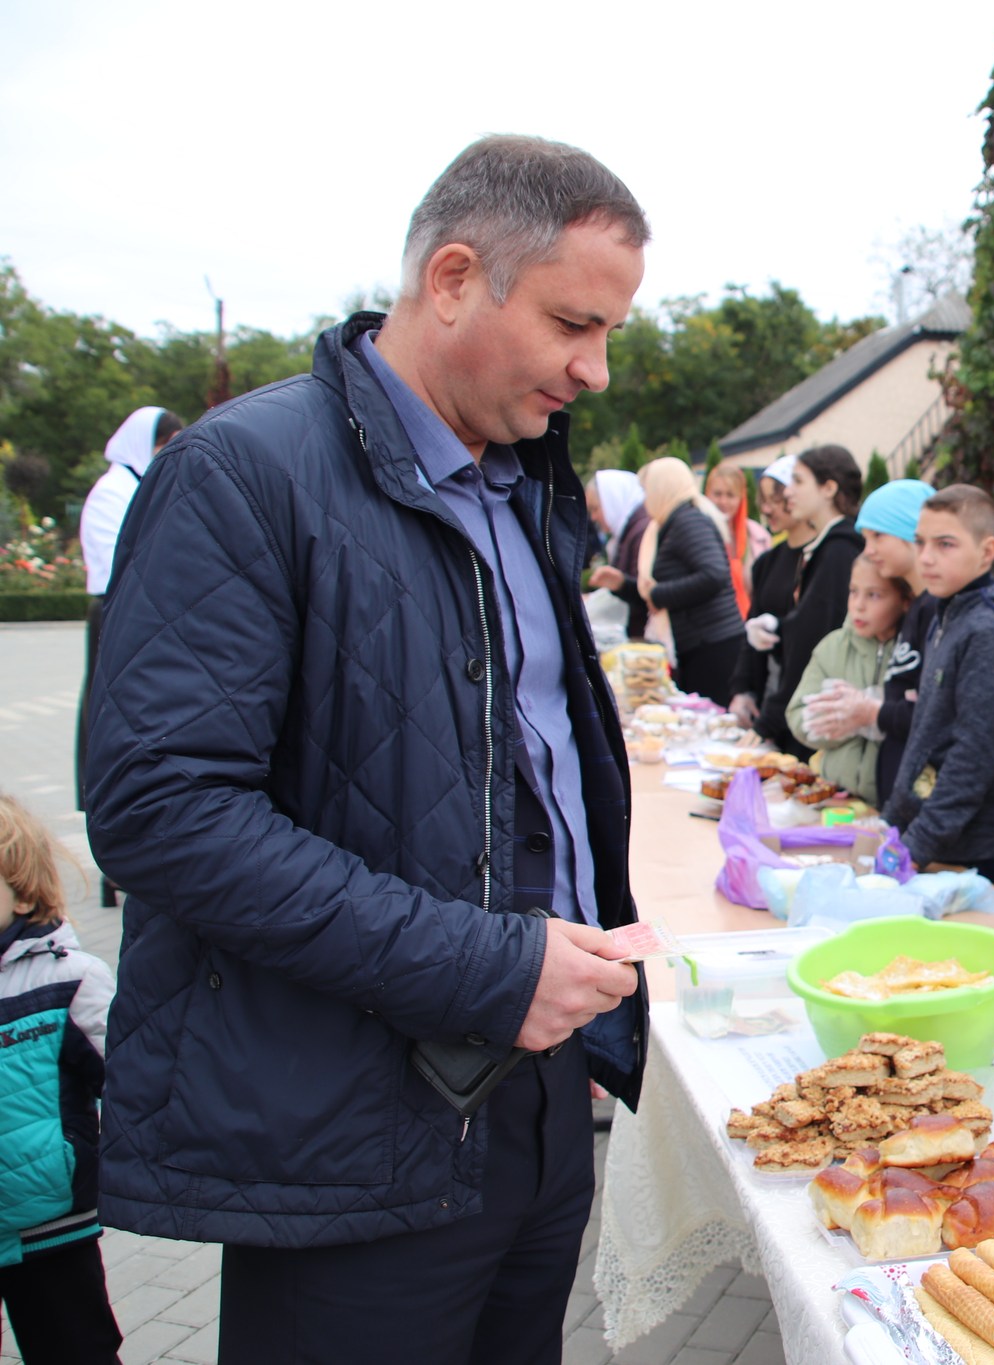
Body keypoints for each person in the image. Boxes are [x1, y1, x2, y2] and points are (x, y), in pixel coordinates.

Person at [84, 135, 648, 1365]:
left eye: (608, 332)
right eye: (570, 323)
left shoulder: (517, 486)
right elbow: (160, 809)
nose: (594, 370)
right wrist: (488, 966)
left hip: (536, 1097)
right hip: (348, 1126)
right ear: (452, 279)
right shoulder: (245, 473)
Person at [882, 485, 994, 900]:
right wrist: (891, 822)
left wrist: (916, 844)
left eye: (945, 545)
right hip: (958, 836)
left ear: (987, 551)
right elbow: (928, 733)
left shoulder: (988, 632)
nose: (926, 557)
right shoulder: (947, 613)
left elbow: (973, 755)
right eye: (920, 542)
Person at [0, 794, 121, 1364]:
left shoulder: (68, 980)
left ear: (22, 890)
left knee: (75, 1349)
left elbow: (125, 1083)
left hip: (50, 1220)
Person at [800, 477, 937, 803]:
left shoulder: (935, 611)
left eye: (877, 536)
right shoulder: (918, 608)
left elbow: (934, 713)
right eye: (865, 538)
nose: (868, 550)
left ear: (912, 535)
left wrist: (870, 713)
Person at [74, 405, 184, 813]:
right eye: (166, 446)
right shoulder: (112, 490)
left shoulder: (143, 486)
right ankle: (103, 798)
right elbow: (117, 557)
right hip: (114, 607)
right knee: (109, 706)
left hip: (141, 605)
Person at [752, 445, 865, 758]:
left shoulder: (839, 551)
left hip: (822, 716)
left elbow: (814, 637)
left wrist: (770, 719)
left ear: (828, 488)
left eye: (798, 481)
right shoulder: (826, 547)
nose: (788, 492)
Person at [785, 556, 916, 804]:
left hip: (887, 804)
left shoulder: (913, 655)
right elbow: (797, 714)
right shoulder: (833, 647)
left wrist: (873, 717)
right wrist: (845, 721)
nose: (858, 605)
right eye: (853, 592)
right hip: (835, 794)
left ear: (905, 601)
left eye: (874, 595)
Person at [637, 456, 745, 704]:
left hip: (713, 647)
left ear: (662, 489)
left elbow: (714, 574)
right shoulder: (673, 522)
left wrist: (657, 595)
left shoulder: (688, 521)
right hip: (702, 644)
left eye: (648, 491)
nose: (645, 500)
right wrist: (622, 584)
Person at [729, 454, 810, 748]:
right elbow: (751, 628)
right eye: (763, 500)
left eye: (775, 499)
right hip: (770, 699)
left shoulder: (823, 559)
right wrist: (742, 689)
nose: (766, 509)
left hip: (803, 704)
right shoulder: (768, 561)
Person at [586, 468, 650, 639]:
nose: (593, 518)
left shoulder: (640, 531)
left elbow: (647, 594)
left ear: (611, 500)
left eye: (595, 509)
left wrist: (620, 584)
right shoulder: (627, 530)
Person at [705, 462, 769, 616]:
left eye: (730, 495)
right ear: (707, 494)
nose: (723, 502)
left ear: (741, 497)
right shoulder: (697, 533)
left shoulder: (757, 535)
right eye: (717, 494)